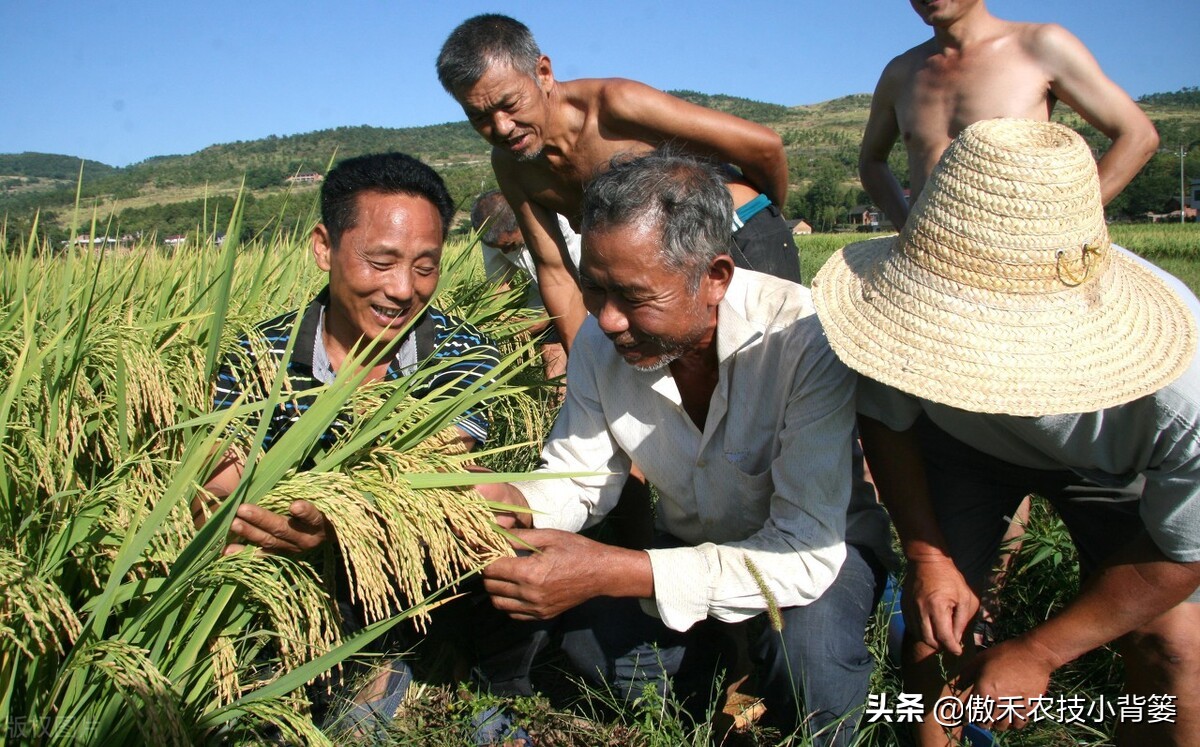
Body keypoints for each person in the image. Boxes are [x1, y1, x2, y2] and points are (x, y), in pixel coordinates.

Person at [475, 151, 893, 746]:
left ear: (715, 277)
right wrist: (512, 498)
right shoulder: (603, 340)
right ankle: (726, 666)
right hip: (693, 545)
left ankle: (790, 667)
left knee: (810, 659)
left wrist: (612, 571)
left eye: (635, 296)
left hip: (817, 552)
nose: (610, 319)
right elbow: (581, 476)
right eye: (593, 288)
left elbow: (802, 550)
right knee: (590, 649)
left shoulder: (803, 339)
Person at [812, 119, 1200, 746]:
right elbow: (887, 422)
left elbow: (1184, 552)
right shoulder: (899, 316)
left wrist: (1042, 650)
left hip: (1113, 470)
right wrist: (928, 558)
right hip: (960, 450)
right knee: (936, 624)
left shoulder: (1182, 392)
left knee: (1173, 646)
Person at [193, 152, 543, 741]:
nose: (403, 290)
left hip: (417, 584)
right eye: (380, 261)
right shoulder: (255, 357)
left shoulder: (458, 352)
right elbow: (220, 484)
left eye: (425, 267)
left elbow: (443, 476)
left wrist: (336, 520)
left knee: (497, 501)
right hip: (289, 587)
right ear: (324, 247)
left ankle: (462, 677)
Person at [437, 13, 803, 352]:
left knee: (769, 374)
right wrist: (583, 363)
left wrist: (767, 220)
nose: (500, 127)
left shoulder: (614, 106)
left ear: (544, 73)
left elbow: (764, 148)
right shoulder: (512, 165)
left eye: (510, 104)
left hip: (737, 237)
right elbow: (554, 270)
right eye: (479, 116)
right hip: (658, 276)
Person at [859, 0, 1159, 231]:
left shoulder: (1039, 46)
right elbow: (871, 161)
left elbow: (1137, 135)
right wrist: (907, 228)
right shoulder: (900, 72)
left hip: (1023, 264)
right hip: (929, 266)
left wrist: (1065, 225)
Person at [470, 189, 580, 384]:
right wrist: (505, 321)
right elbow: (498, 283)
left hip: (582, 284)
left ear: (522, 222)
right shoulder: (492, 235)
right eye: (500, 247)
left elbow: (576, 279)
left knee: (582, 342)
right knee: (550, 344)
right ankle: (557, 395)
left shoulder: (558, 224)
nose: (505, 251)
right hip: (539, 286)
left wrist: (546, 317)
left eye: (510, 245)